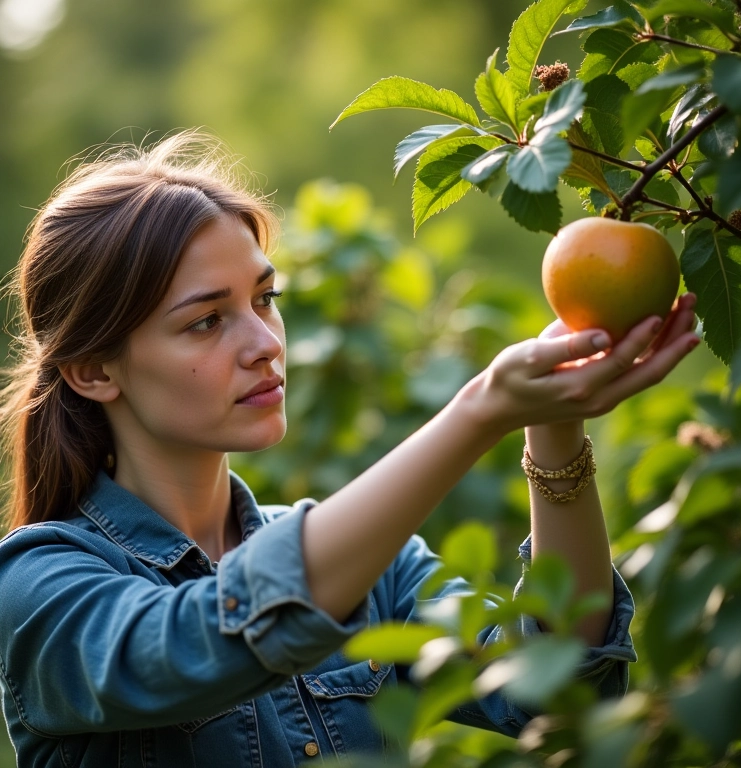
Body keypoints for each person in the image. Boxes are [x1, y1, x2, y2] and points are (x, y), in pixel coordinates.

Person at [0, 131, 700, 767]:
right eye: (207, 321)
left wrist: (553, 429)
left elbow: (559, 690)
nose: (266, 344)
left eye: (264, 299)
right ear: (93, 370)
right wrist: (478, 412)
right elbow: (212, 639)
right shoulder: (39, 587)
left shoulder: (377, 568)